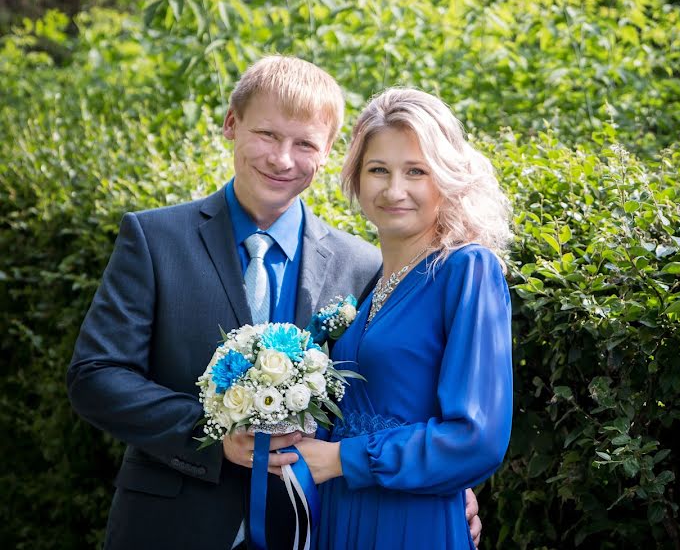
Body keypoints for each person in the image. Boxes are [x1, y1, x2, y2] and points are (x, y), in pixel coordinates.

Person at [67, 57, 481, 549]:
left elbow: (391, 392)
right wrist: (213, 436)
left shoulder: (364, 264)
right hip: (172, 525)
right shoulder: (155, 239)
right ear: (231, 124)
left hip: (312, 526)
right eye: (266, 134)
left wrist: (447, 481)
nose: (283, 159)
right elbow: (95, 374)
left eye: (304, 143)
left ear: (328, 152)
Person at [293, 87, 514, 549]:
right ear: (356, 178)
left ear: (447, 178)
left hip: (410, 523)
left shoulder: (467, 270)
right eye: (378, 170)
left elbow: (475, 438)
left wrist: (341, 459)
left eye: (416, 171)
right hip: (341, 514)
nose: (395, 190)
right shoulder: (372, 285)